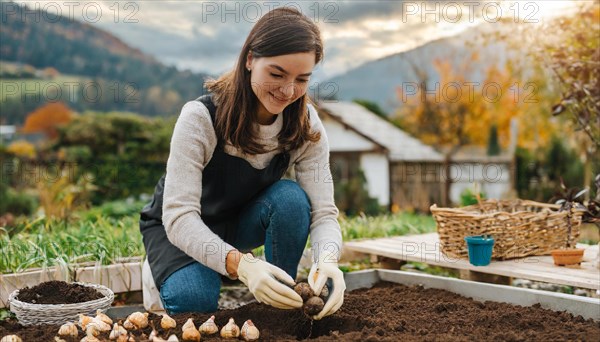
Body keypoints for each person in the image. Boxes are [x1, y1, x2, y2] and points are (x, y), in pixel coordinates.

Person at [139, 7, 344, 320]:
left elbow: (324, 212)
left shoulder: (305, 126)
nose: (288, 90)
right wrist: (243, 266)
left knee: (290, 200)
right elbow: (179, 216)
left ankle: (279, 304)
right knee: (195, 300)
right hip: (181, 230)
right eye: (276, 74)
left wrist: (328, 259)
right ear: (250, 60)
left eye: (302, 79)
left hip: (238, 222)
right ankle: (165, 273)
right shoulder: (201, 118)